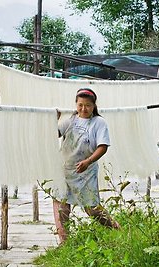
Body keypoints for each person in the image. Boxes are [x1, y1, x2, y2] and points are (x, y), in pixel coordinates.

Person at [53, 88, 120, 244]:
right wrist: (53, 121)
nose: (83, 109)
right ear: (76, 104)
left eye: (88, 105)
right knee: (61, 206)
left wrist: (88, 161)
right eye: (80, 105)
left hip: (86, 170)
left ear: (94, 106)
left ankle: (116, 229)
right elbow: (54, 133)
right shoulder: (71, 120)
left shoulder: (99, 123)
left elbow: (103, 146)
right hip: (66, 169)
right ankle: (64, 242)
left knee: (92, 209)